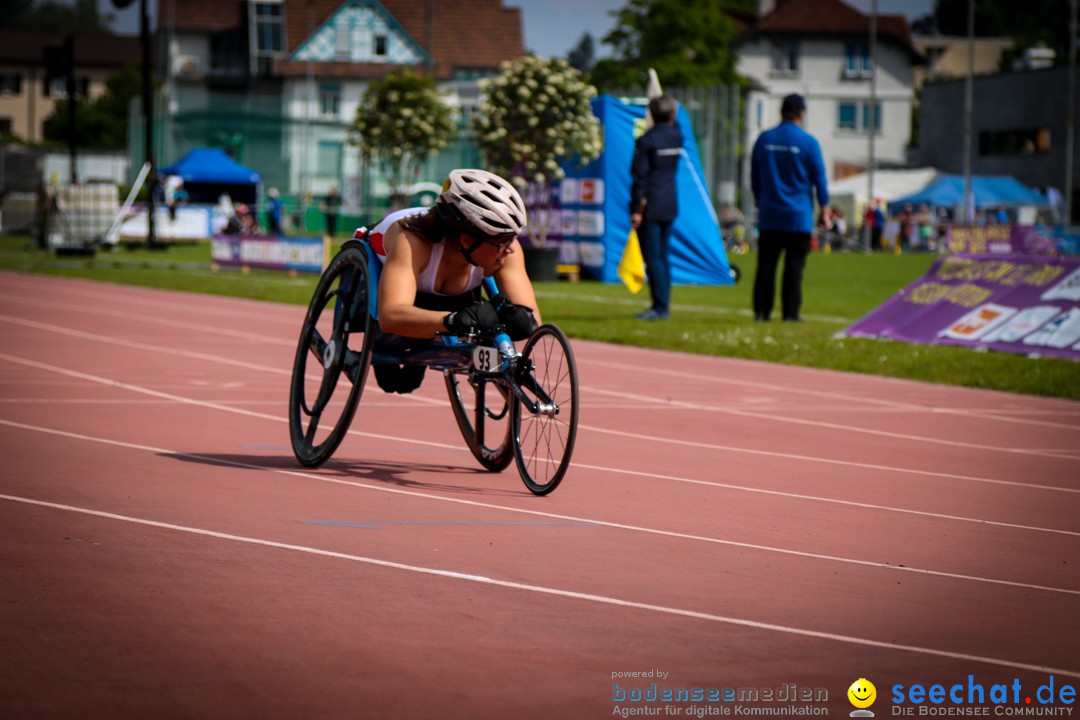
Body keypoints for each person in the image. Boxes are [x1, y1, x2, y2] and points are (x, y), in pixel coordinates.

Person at [358, 169, 541, 394]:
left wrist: (516, 319)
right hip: (389, 296)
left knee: (406, 382)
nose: (511, 248)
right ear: (467, 240)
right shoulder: (413, 242)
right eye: (502, 240)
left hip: (445, 302)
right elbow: (390, 316)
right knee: (392, 381)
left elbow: (533, 321)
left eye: (513, 237)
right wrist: (454, 320)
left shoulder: (506, 252)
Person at [750, 93, 829, 322]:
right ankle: (790, 313)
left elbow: (755, 175)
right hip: (798, 216)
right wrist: (824, 208)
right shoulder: (808, 142)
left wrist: (759, 199)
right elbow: (819, 178)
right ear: (802, 114)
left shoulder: (764, 139)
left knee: (766, 266)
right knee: (794, 268)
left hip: (770, 213)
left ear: (781, 111)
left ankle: (762, 312)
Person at [629, 94, 683, 320]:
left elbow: (640, 177)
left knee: (653, 259)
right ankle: (663, 304)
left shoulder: (647, 141)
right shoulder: (677, 136)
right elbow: (675, 120)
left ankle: (660, 307)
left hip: (650, 206)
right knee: (662, 256)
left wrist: (636, 210)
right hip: (669, 203)